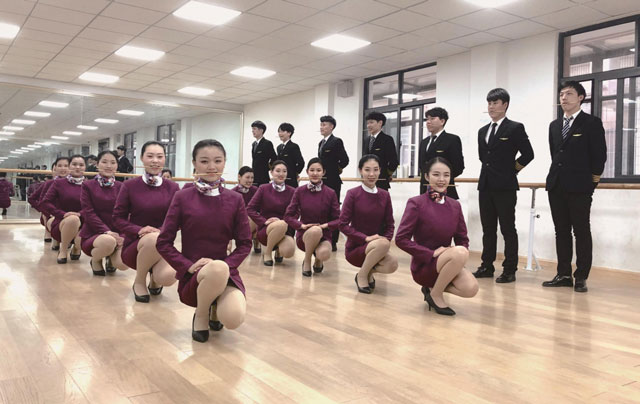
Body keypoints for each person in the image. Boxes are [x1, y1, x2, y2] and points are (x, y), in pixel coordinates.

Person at [157, 139, 251, 342]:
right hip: (194, 274)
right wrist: (187, 266)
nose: (211, 167)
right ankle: (201, 314)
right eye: (204, 161)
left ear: (224, 162)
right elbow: (163, 242)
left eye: (217, 161)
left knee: (234, 318)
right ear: (194, 164)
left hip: (226, 271)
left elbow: (245, 244)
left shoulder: (235, 199)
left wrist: (225, 265)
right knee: (215, 269)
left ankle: (215, 306)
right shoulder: (182, 197)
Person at [543, 81, 607, 293]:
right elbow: (555, 154)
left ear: (580, 97)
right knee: (561, 231)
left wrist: (592, 182)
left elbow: (599, 156)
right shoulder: (554, 125)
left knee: (581, 231)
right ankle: (563, 274)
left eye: (569, 93)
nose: (564, 98)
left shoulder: (591, 123)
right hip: (556, 185)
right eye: (561, 94)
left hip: (580, 186)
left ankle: (581, 276)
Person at [396, 157, 478, 316]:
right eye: (436, 174)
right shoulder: (416, 203)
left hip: (447, 261)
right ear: (426, 176)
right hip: (424, 265)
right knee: (460, 252)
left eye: (446, 175)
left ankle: (433, 289)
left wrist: (458, 259)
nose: (442, 179)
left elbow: (462, 239)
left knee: (471, 289)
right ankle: (436, 295)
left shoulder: (455, 205)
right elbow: (401, 239)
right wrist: (431, 253)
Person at [473, 88, 534, 284]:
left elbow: (528, 154)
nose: (491, 107)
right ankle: (486, 265)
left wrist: (512, 170)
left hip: (505, 186)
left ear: (505, 105)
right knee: (488, 228)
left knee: (507, 228)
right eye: (489, 103)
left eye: (495, 103)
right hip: (485, 185)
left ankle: (509, 269)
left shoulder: (515, 128)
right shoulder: (482, 131)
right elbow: (483, 157)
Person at [113, 141, 179, 303]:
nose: (155, 160)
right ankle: (140, 280)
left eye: (159, 156)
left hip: (163, 244)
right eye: (150, 156)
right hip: (135, 245)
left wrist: (161, 231)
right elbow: (117, 218)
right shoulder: (129, 186)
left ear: (165, 159)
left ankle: (155, 278)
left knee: (169, 276)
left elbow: (177, 220)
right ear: (142, 158)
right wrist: (139, 230)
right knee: (151, 239)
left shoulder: (173, 187)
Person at [339, 155, 398, 294]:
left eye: (375, 170)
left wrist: (385, 241)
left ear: (380, 171)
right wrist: (365, 238)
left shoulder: (385, 195)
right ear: (360, 170)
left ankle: (365, 272)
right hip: (356, 248)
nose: (372, 174)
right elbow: (342, 224)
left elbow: (390, 224)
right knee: (382, 244)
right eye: (367, 170)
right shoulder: (353, 194)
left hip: (378, 247)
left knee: (392, 264)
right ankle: (362, 276)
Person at [285, 158, 340, 277]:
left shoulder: (331, 193)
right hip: (304, 234)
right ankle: (307, 259)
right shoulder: (299, 191)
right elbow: (288, 216)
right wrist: (301, 225)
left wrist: (325, 226)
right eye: (312, 170)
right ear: (307, 171)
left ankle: (318, 260)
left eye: (318, 170)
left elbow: (339, 219)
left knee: (324, 253)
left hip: (324, 234)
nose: (315, 173)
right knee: (315, 231)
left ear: (323, 172)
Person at [79, 151, 128, 276]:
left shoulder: (122, 186)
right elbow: (88, 213)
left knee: (123, 264)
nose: (109, 166)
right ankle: (96, 260)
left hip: (117, 234)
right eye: (104, 162)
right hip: (94, 234)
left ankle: (111, 257)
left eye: (113, 162)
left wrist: (123, 235)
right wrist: (107, 231)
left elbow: (126, 214)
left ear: (117, 165)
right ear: (97, 164)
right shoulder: (87, 185)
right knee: (108, 241)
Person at [247, 160, 296, 266]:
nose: (281, 174)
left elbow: (296, 213)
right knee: (280, 225)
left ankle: (278, 249)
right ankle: (268, 253)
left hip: (285, 228)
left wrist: (285, 221)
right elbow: (250, 209)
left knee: (289, 251)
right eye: (278, 171)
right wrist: (264, 221)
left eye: (284, 171)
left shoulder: (292, 191)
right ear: (271, 172)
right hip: (266, 229)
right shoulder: (263, 188)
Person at [40, 155, 86, 264]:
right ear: (69, 166)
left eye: (81, 165)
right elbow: (46, 202)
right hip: (62, 222)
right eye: (74, 164)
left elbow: (93, 206)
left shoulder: (89, 185)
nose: (77, 167)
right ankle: (63, 249)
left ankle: (76, 248)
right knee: (72, 219)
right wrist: (62, 214)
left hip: (84, 222)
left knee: (76, 222)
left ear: (85, 167)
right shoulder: (59, 183)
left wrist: (80, 214)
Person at [317, 115, 349, 251]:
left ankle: (333, 240)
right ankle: (322, 237)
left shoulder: (336, 141)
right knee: (321, 210)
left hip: (333, 181)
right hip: (321, 182)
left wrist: (336, 170)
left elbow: (345, 160)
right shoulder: (321, 143)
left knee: (333, 212)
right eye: (321, 124)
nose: (321, 127)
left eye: (324, 124)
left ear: (331, 127)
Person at [418, 107, 464, 199]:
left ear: (442, 121)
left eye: (432, 119)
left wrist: (441, 178)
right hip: (425, 190)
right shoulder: (424, 142)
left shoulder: (452, 140)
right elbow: (421, 165)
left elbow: (458, 167)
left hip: (445, 190)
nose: (428, 122)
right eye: (427, 119)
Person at [30, 158, 69, 245]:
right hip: (50, 214)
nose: (62, 169)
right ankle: (50, 233)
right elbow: (38, 200)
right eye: (58, 167)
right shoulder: (48, 183)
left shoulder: (73, 184)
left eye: (66, 166)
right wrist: (45, 211)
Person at [364, 112, 398, 191]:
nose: (368, 125)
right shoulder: (367, 140)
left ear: (380, 123)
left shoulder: (387, 139)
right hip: (367, 182)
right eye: (367, 123)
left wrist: (386, 174)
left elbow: (393, 161)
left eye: (371, 122)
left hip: (381, 181)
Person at [232, 166, 260, 253]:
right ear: (239, 177)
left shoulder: (256, 190)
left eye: (252, 178)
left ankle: (253, 239)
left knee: (257, 217)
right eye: (247, 177)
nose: (250, 180)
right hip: (238, 222)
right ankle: (248, 240)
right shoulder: (233, 193)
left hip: (253, 220)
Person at [276, 123, 305, 188]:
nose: (280, 134)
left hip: (290, 179)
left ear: (289, 133)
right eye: (279, 132)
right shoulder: (279, 147)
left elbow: (301, 163)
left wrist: (294, 173)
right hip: (280, 179)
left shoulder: (294, 146)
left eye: (282, 131)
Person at [250, 120, 277, 186]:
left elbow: (274, 158)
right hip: (254, 176)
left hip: (263, 177)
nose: (252, 131)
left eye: (254, 129)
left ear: (261, 130)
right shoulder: (254, 144)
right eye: (252, 129)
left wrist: (266, 168)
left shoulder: (267, 143)